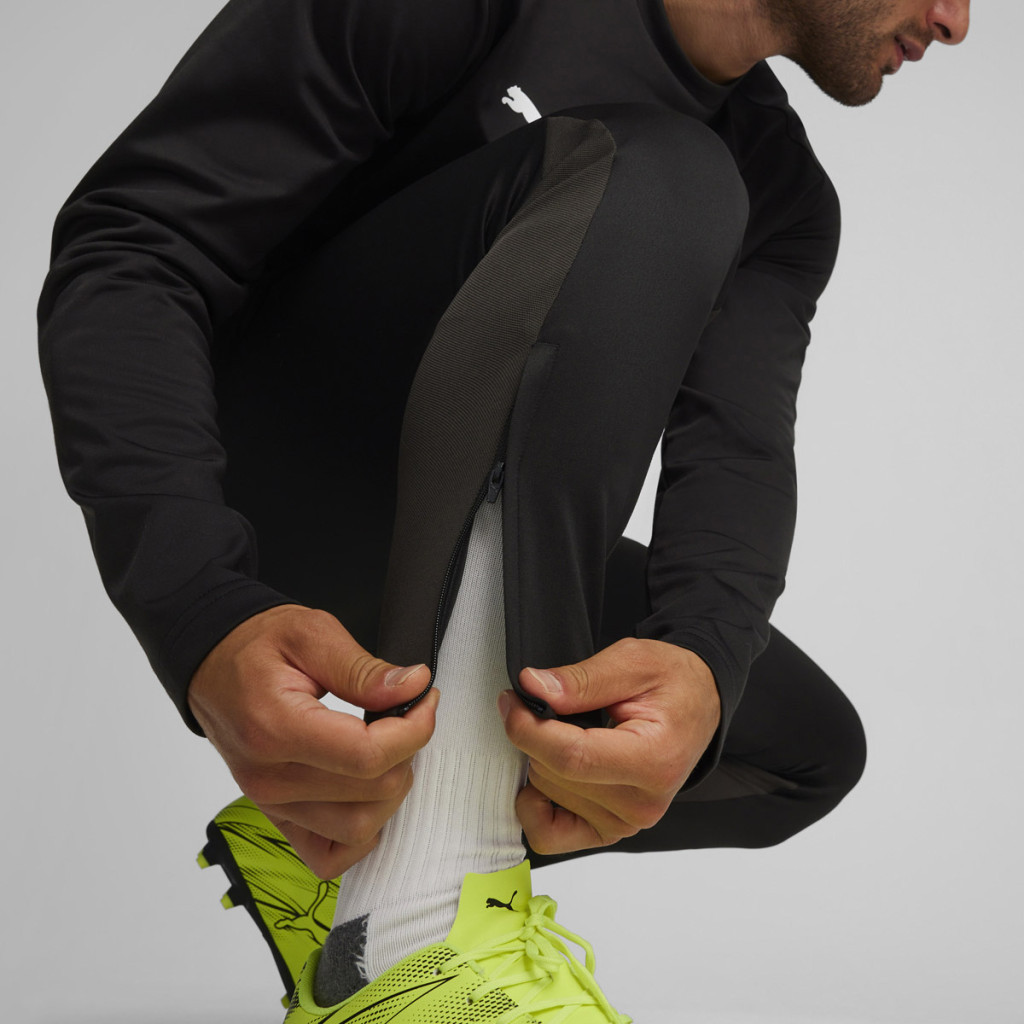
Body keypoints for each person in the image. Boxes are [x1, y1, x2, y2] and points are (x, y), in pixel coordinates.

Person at [36, 0, 969, 1020]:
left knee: (796, 748)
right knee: (667, 172)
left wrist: (704, 664)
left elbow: (736, 452)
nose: (957, 20)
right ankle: (415, 932)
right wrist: (194, 601)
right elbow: (137, 244)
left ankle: (344, 864)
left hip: (469, 541)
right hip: (259, 489)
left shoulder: (784, 196)